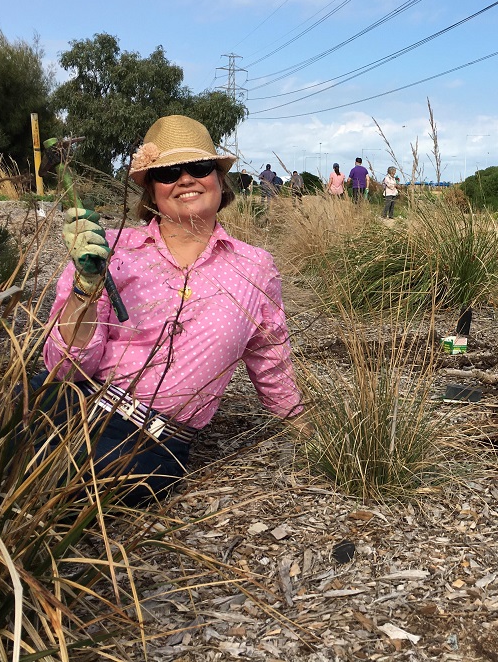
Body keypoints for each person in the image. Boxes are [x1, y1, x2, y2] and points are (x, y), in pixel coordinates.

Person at [39, 114, 308, 508]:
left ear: (219, 179)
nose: (184, 179)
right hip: (69, 403)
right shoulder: (106, 249)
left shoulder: (255, 268)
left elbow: (270, 357)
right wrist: (85, 288)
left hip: (151, 445)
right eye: (167, 172)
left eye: (199, 167)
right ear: (151, 189)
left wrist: (308, 429)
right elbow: (62, 370)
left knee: (56, 489)